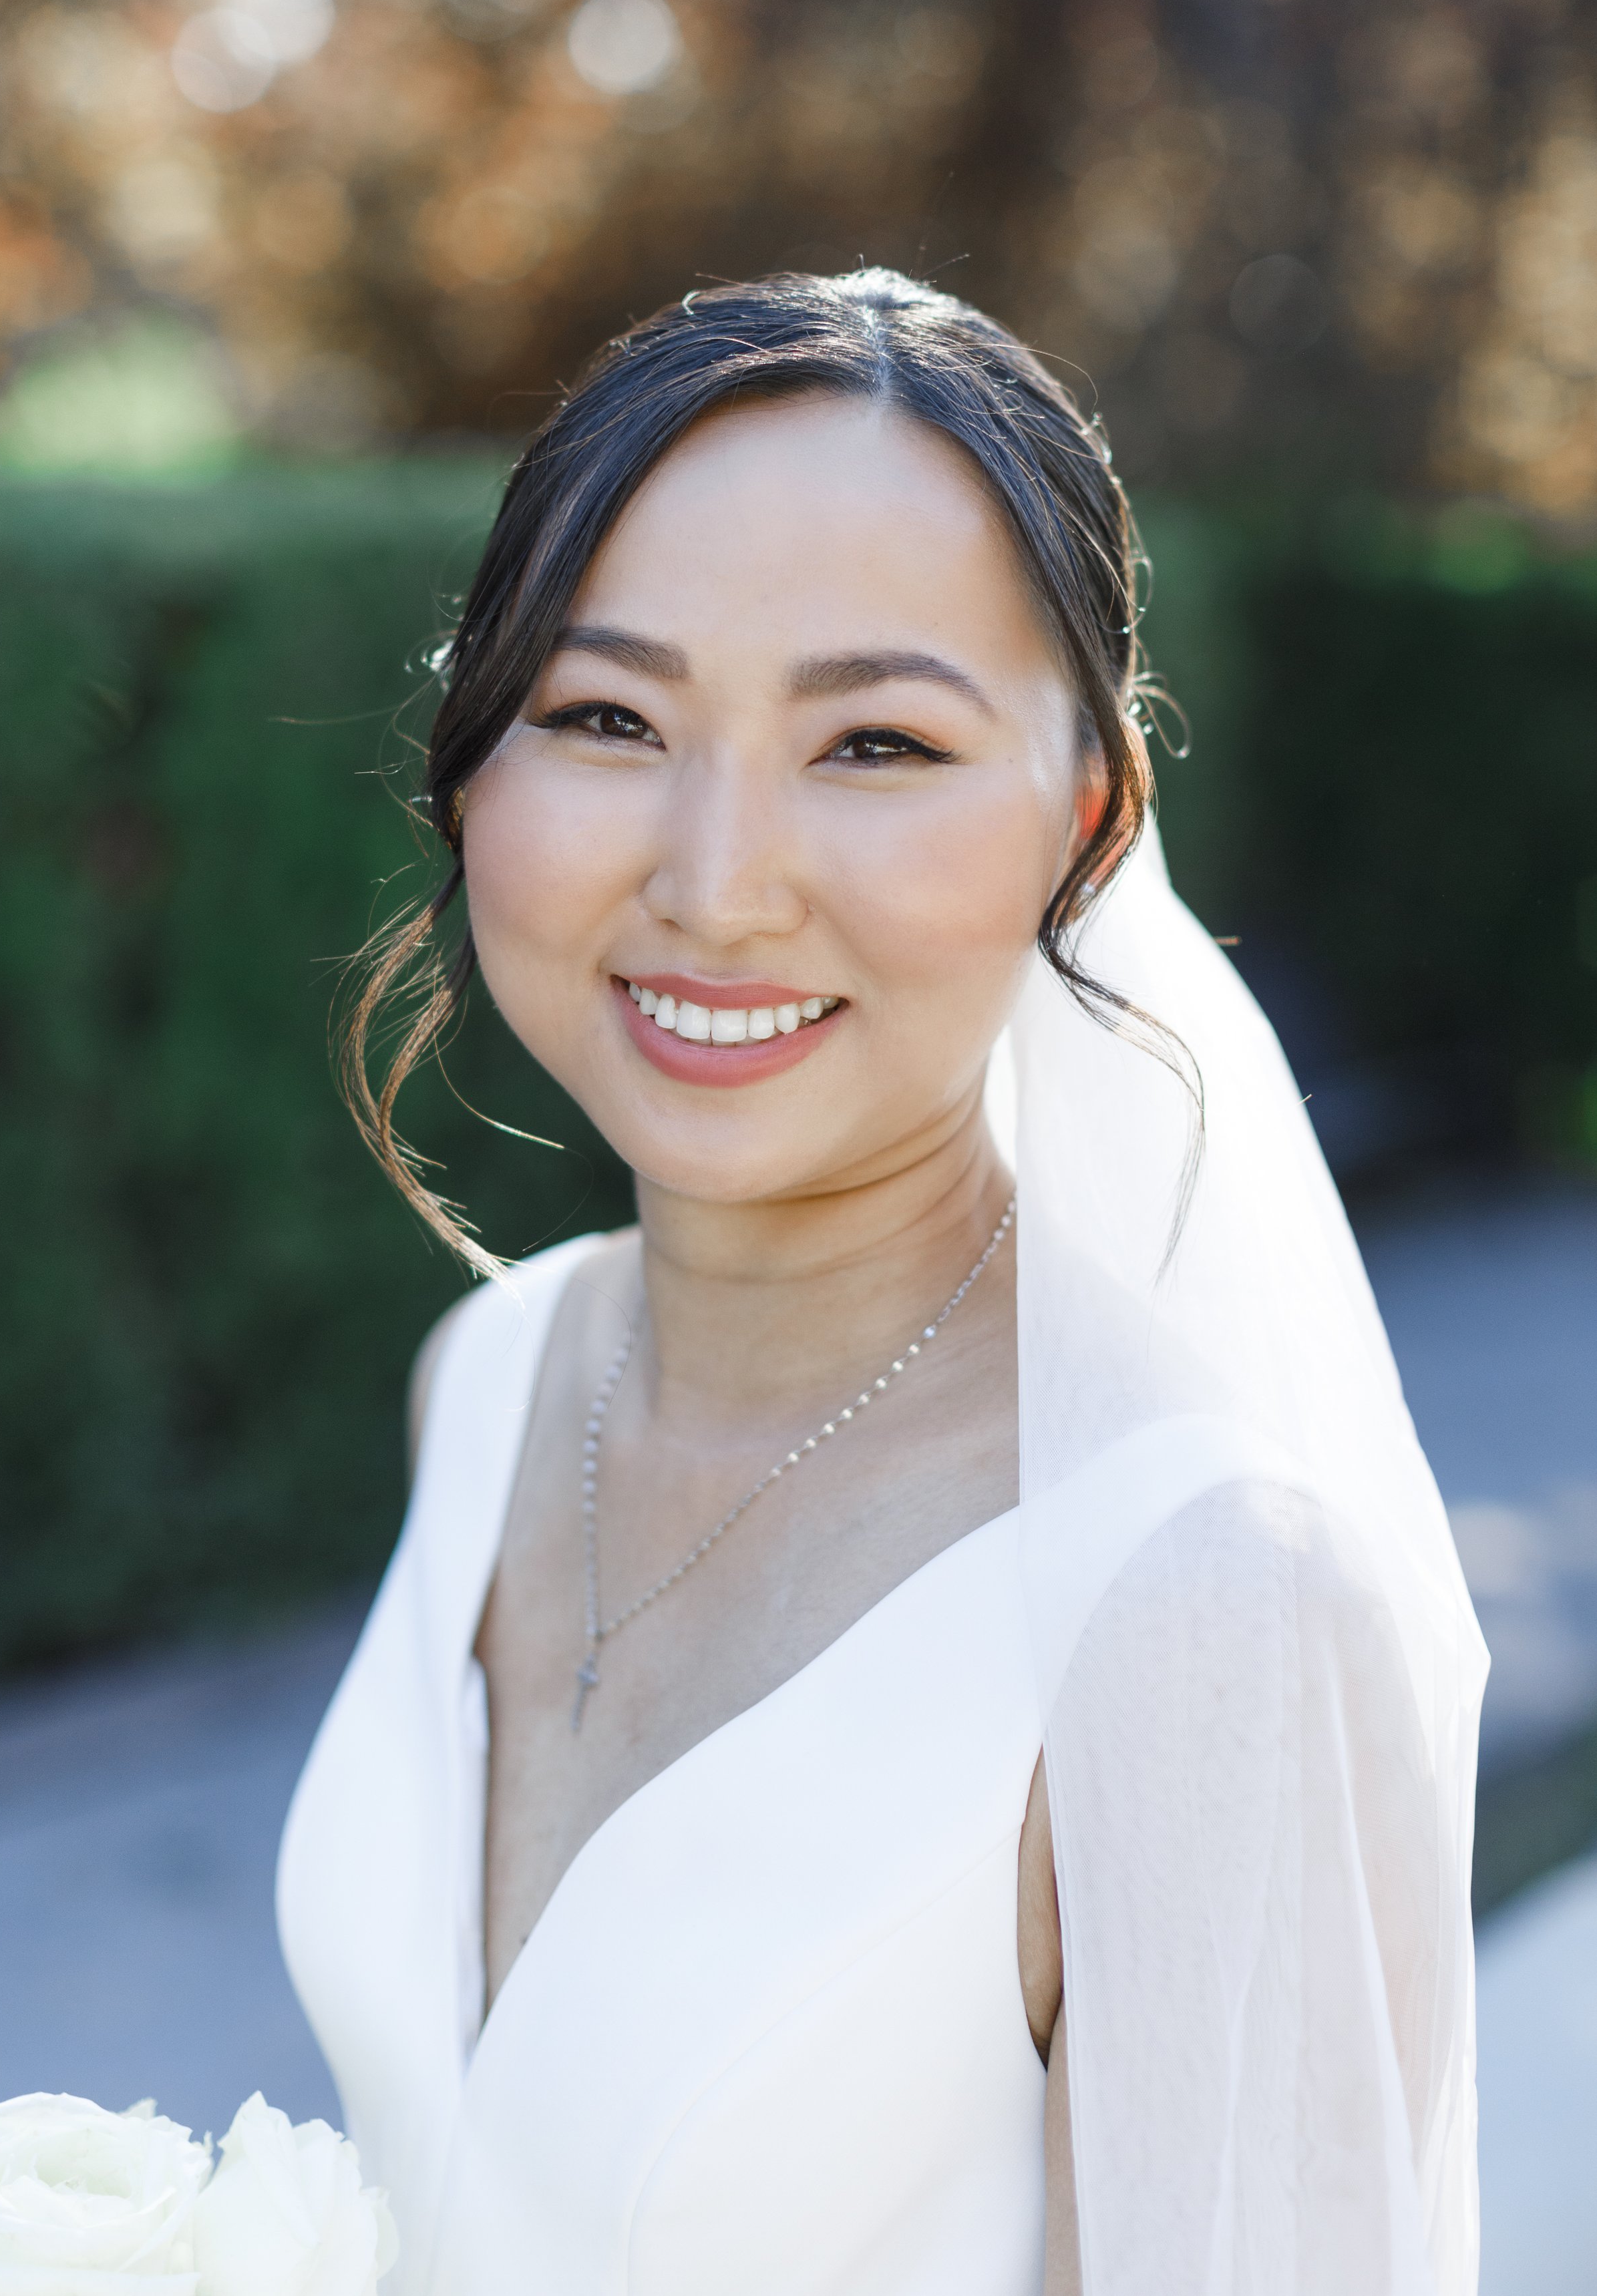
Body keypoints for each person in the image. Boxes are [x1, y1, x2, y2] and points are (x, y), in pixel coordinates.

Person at [277, 270, 1487, 2295]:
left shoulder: (1197, 1604)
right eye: (605, 716)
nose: (718, 876)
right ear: (473, 756)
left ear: (1081, 824)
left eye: (875, 743)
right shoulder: (490, 1377)